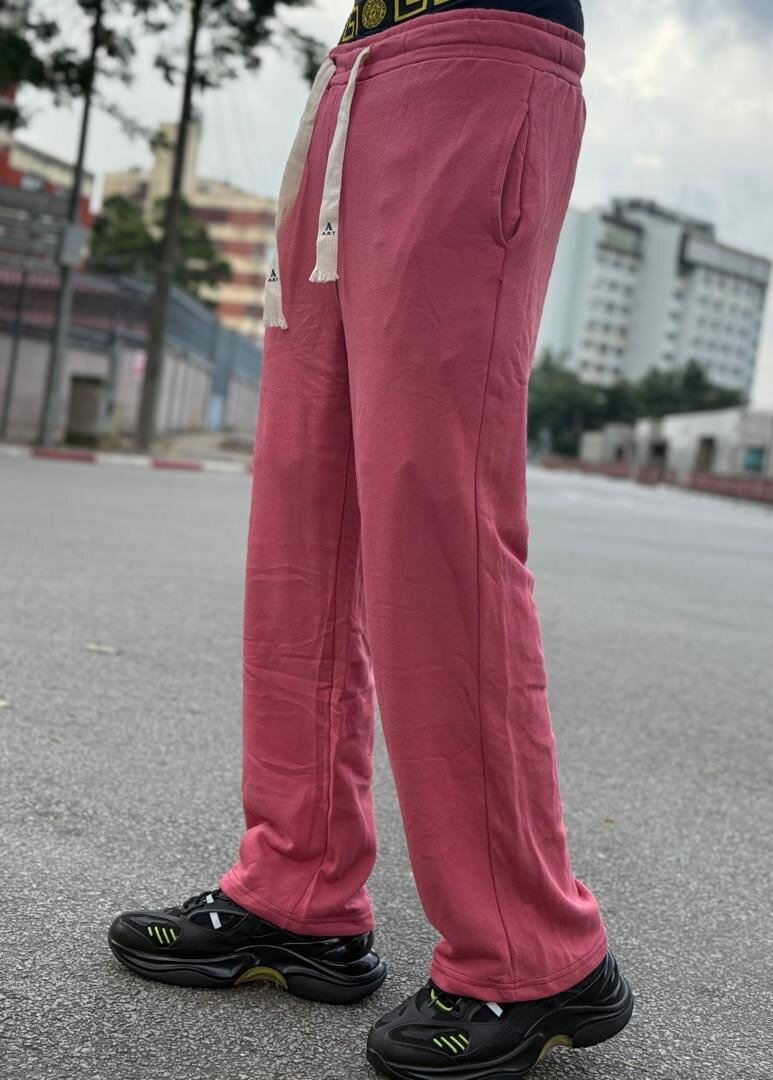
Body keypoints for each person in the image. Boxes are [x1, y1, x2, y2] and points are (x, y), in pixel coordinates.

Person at [108, 1, 634, 1076]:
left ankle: (529, 948)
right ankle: (296, 887)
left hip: (480, 55)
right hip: (357, 71)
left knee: (434, 520)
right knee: (302, 517)